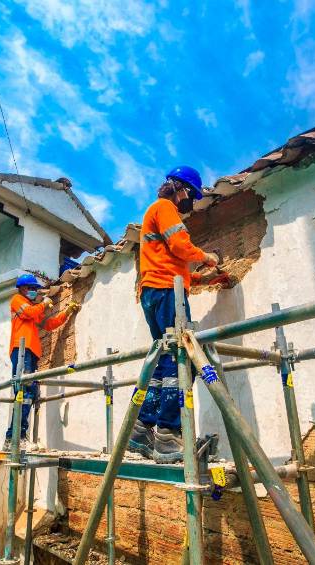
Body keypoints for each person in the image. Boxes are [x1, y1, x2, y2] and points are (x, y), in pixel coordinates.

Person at [128, 166, 218, 463]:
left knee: (161, 359)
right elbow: (180, 246)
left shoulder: (153, 211)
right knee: (183, 360)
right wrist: (208, 257)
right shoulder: (165, 208)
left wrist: (206, 278)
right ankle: (168, 435)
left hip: (154, 292)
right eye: (191, 195)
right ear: (181, 189)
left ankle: (141, 431)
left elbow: (170, 261)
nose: (189, 202)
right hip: (167, 291)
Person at [6, 273, 79, 441]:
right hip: (21, 349)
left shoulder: (32, 308)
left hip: (31, 352)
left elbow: (49, 324)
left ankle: (18, 435)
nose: (34, 291)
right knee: (23, 391)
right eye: (31, 288)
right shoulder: (17, 300)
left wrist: (67, 311)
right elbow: (31, 313)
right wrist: (44, 304)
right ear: (22, 288)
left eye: (35, 289)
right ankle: (14, 436)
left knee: (29, 394)